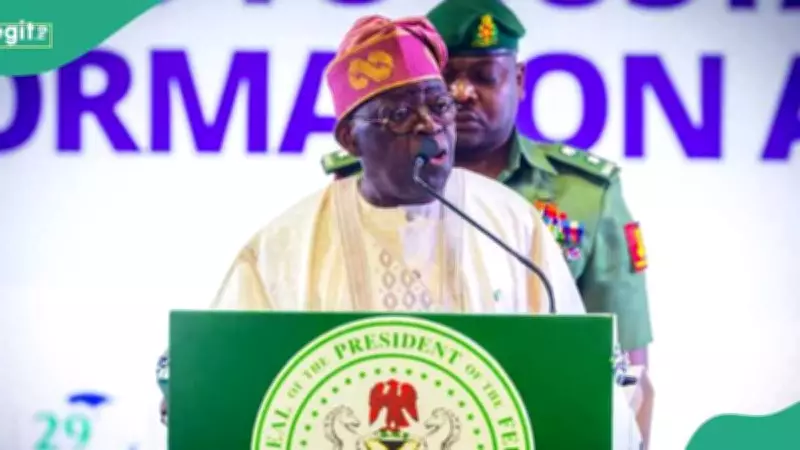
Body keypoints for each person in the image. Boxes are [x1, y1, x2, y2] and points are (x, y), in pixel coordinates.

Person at [158, 14, 641, 447]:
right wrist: (194, 398)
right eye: (400, 115)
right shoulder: (287, 244)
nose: (430, 127)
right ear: (351, 138)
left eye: (438, 106)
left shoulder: (510, 224)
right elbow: (224, 382)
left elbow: (580, 381)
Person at [319, 0, 655, 446]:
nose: (462, 93)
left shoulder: (584, 194)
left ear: (518, 80)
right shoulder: (364, 189)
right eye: (447, 79)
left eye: (484, 76)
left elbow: (629, 376)